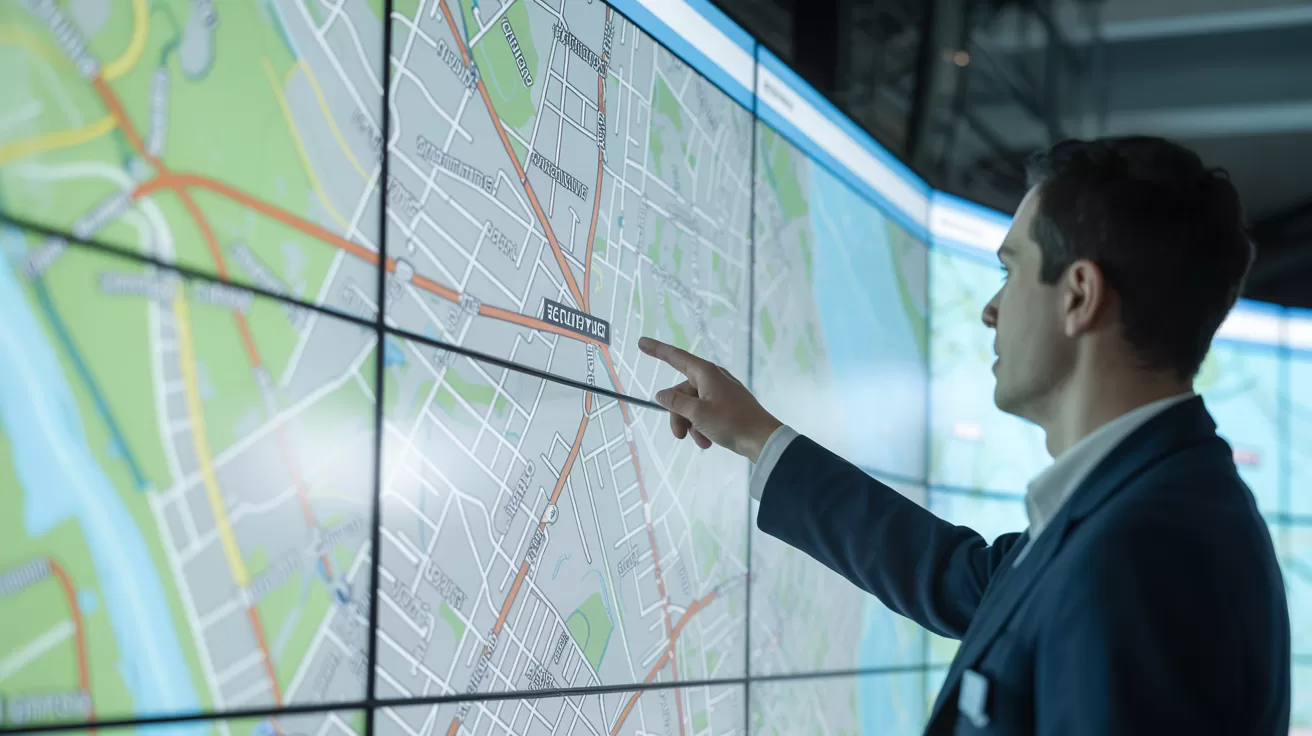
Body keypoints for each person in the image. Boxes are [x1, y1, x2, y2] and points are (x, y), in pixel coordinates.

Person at [639, 136, 1290, 734]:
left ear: (1079, 295)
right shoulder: (1144, 504)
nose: (989, 310)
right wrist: (759, 437)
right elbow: (963, 579)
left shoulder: (1140, 556)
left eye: (1011, 270)